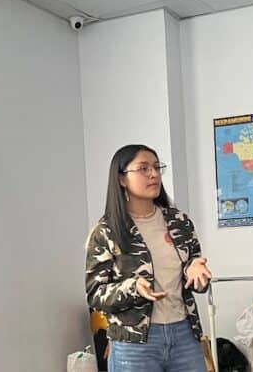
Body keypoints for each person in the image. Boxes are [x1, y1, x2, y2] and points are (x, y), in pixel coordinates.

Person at [85, 144, 212, 372]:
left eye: (156, 167)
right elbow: (95, 294)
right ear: (122, 179)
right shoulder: (107, 231)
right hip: (133, 343)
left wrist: (196, 271)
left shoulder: (179, 222)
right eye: (143, 168)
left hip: (184, 333)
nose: (153, 174)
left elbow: (195, 271)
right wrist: (133, 288)